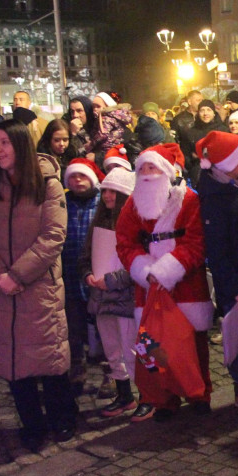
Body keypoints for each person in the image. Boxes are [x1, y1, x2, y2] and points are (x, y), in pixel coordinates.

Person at [0, 119, 77, 452]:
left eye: (4, 143)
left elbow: (53, 235)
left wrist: (19, 274)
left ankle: (63, 417)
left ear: (21, 144)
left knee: (49, 356)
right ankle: (32, 423)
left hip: (38, 286)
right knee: (14, 361)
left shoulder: (47, 183)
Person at [116, 144, 214, 421]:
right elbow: (125, 243)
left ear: (167, 171)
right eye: (143, 168)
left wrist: (168, 270)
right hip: (148, 288)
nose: (147, 174)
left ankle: (200, 393)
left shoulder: (189, 200)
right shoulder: (131, 205)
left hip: (185, 286)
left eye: (153, 167)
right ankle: (165, 399)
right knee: (156, 346)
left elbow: (195, 242)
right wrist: (145, 271)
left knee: (194, 346)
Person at [195, 130, 238, 414]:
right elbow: (218, 251)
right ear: (227, 165)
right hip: (237, 284)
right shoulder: (215, 199)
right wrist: (236, 289)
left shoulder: (236, 187)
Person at [78, 168, 141, 418]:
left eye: (113, 191)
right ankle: (125, 396)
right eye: (104, 190)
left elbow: (137, 263)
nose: (107, 196)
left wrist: (112, 281)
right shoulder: (99, 224)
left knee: (133, 350)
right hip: (102, 299)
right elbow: (85, 257)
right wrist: (88, 276)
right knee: (113, 351)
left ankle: (147, 395)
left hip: (125, 300)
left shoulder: (136, 225)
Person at [61, 158, 104, 395]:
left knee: (103, 327)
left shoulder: (102, 202)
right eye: (73, 177)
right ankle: (77, 369)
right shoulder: (62, 203)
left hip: (97, 276)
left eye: (83, 176)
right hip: (69, 275)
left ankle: (111, 373)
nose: (78, 180)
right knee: (72, 328)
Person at [175, 99, 226, 184]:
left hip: (220, 175)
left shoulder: (223, 130)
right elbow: (185, 153)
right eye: (202, 110)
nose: (205, 113)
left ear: (214, 113)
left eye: (209, 110)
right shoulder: (191, 132)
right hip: (198, 175)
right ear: (198, 113)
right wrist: (193, 160)